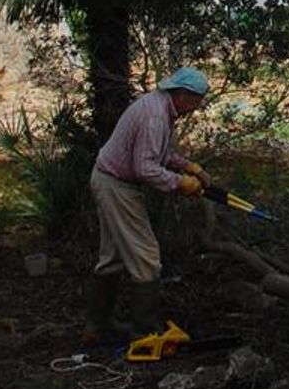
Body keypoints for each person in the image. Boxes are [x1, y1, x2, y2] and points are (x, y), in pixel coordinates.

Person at [84, 66, 213, 344]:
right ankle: (145, 332)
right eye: (195, 101)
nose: (195, 107)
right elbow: (145, 168)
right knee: (146, 257)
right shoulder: (155, 116)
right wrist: (181, 183)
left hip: (109, 178)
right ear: (182, 94)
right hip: (116, 184)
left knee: (113, 256)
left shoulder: (160, 108)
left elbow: (159, 152)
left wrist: (191, 167)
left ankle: (97, 327)